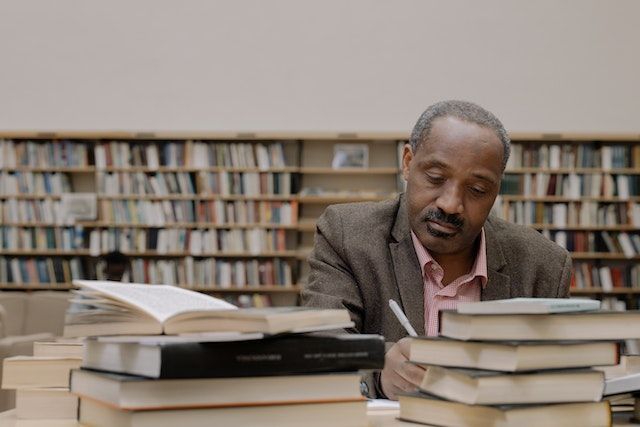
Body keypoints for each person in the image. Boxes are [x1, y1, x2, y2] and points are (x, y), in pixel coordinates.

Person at [301, 100, 571, 399]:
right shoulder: (347, 234)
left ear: (496, 191)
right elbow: (320, 344)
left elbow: (558, 376)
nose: (451, 204)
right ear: (407, 162)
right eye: (436, 178)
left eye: (477, 190)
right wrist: (378, 372)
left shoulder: (544, 265)